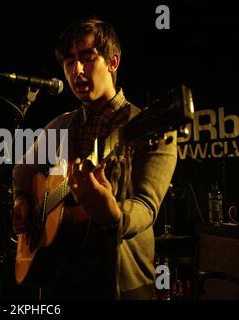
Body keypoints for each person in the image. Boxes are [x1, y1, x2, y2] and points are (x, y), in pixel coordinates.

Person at [12, 17, 177, 299]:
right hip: (59, 278)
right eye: (69, 61)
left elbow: (145, 208)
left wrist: (112, 214)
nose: (76, 70)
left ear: (113, 63)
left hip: (120, 284)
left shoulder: (148, 126)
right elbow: (21, 171)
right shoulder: (59, 125)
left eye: (87, 58)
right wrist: (22, 200)